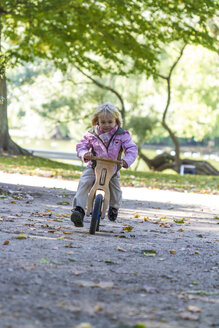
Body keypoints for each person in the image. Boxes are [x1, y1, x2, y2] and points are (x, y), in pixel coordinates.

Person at [71, 102, 138, 227]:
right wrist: (85, 153)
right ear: (97, 121)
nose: (106, 125)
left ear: (116, 121)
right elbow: (81, 146)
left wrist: (126, 160)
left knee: (115, 188)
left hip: (112, 168)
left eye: (110, 122)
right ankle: (78, 210)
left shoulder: (122, 135)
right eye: (103, 122)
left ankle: (113, 207)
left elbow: (132, 149)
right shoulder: (91, 134)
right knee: (85, 181)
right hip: (94, 166)